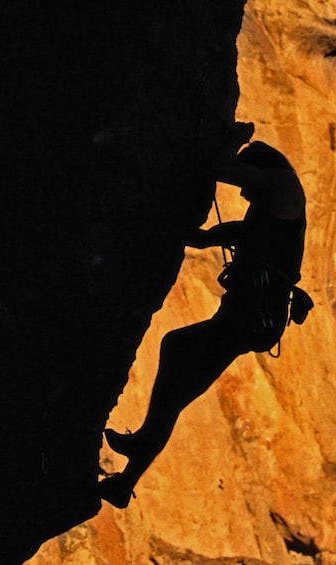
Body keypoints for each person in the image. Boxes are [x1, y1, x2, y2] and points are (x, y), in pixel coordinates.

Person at [98, 122, 307, 508]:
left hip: (252, 315)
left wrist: (234, 139)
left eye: (249, 186)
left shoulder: (281, 186)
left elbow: (222, 169)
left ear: (259, 171)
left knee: (177, 355)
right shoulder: (269, 210)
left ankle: (138, 454)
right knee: (177, 374)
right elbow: (226, 236)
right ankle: (128, 475)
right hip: (252, 316)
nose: (243, 194)